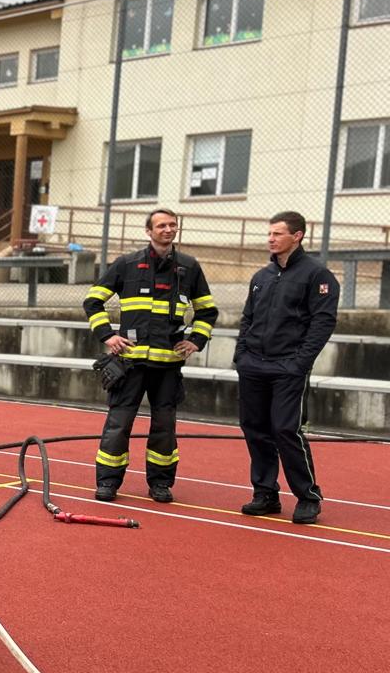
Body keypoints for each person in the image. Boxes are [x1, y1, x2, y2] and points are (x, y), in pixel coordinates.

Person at [82, 208, 218, 503]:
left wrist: (196, 340)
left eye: (172, 225)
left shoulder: (189, 267)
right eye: (161, 226)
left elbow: (208, 310)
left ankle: (160, 484)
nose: (168, 230)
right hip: (130, 364)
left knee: (164, 429)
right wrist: (107, 336)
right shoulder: (127, 264)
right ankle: (107, 482)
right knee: (118, 425)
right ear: (149, 231)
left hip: (168, 366)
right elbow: (93, 301)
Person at [233, 212, 339, 525]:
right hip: (254, 365)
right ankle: (265, 493)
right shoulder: (262, 277)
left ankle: (308, 497)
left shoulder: (317, 275)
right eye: (270, 233)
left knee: (284, 428)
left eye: (278, 233)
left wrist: (299, 363)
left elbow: (323, 322)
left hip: (288, 367)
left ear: (298, 236)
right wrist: (242, 355)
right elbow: (247, 318)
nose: (271, 239)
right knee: (255, 428)